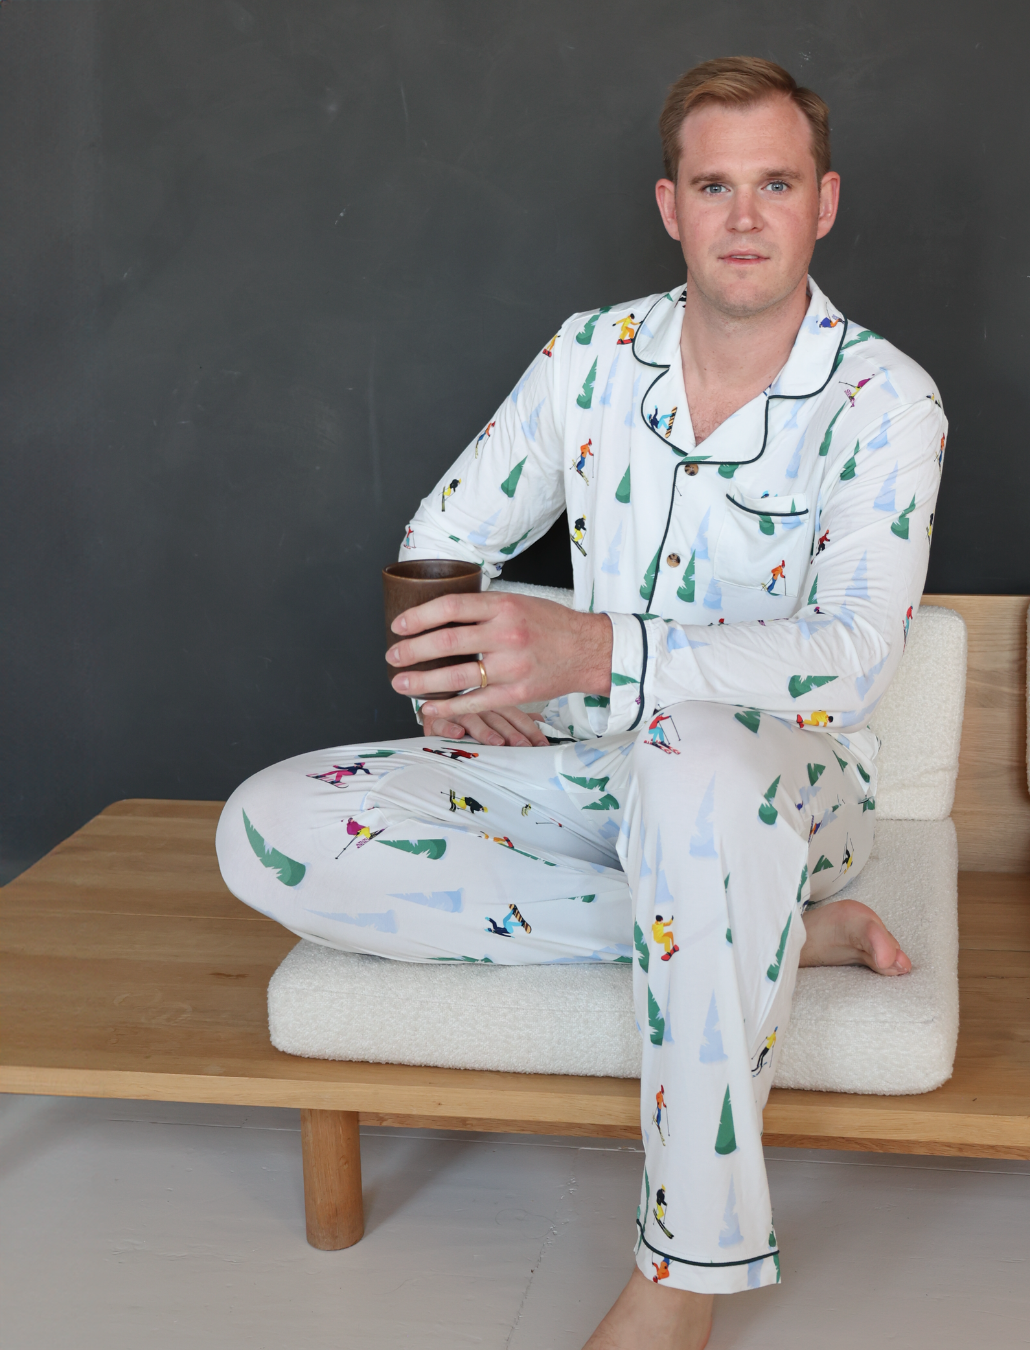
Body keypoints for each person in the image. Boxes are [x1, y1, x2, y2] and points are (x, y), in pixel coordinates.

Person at [216, 55, 946, 1350]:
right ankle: (778, 931)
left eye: (775, 184)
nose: (743, 216)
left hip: (788, 787)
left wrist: (594, 648)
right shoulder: (589, 357)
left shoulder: (884, 397)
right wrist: (459, 683)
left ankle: (684, 1273)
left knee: (698, 766)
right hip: (595, 769)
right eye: (712, 186)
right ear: (669, 205)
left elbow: (848, 655)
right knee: (266, 828)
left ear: (824, 202)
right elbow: (441, 538)